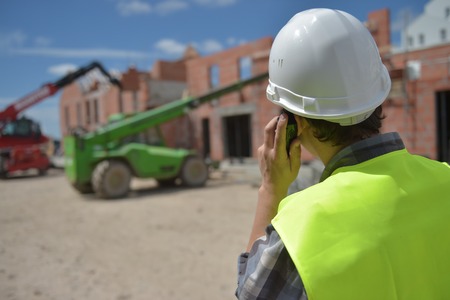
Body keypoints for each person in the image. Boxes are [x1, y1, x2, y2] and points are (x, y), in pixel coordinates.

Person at [236, 8, 450, 300]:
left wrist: (271, 190)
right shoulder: (445, 178)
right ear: (378, 96)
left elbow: (250, 293)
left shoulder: (298, 231)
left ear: (294, 122)